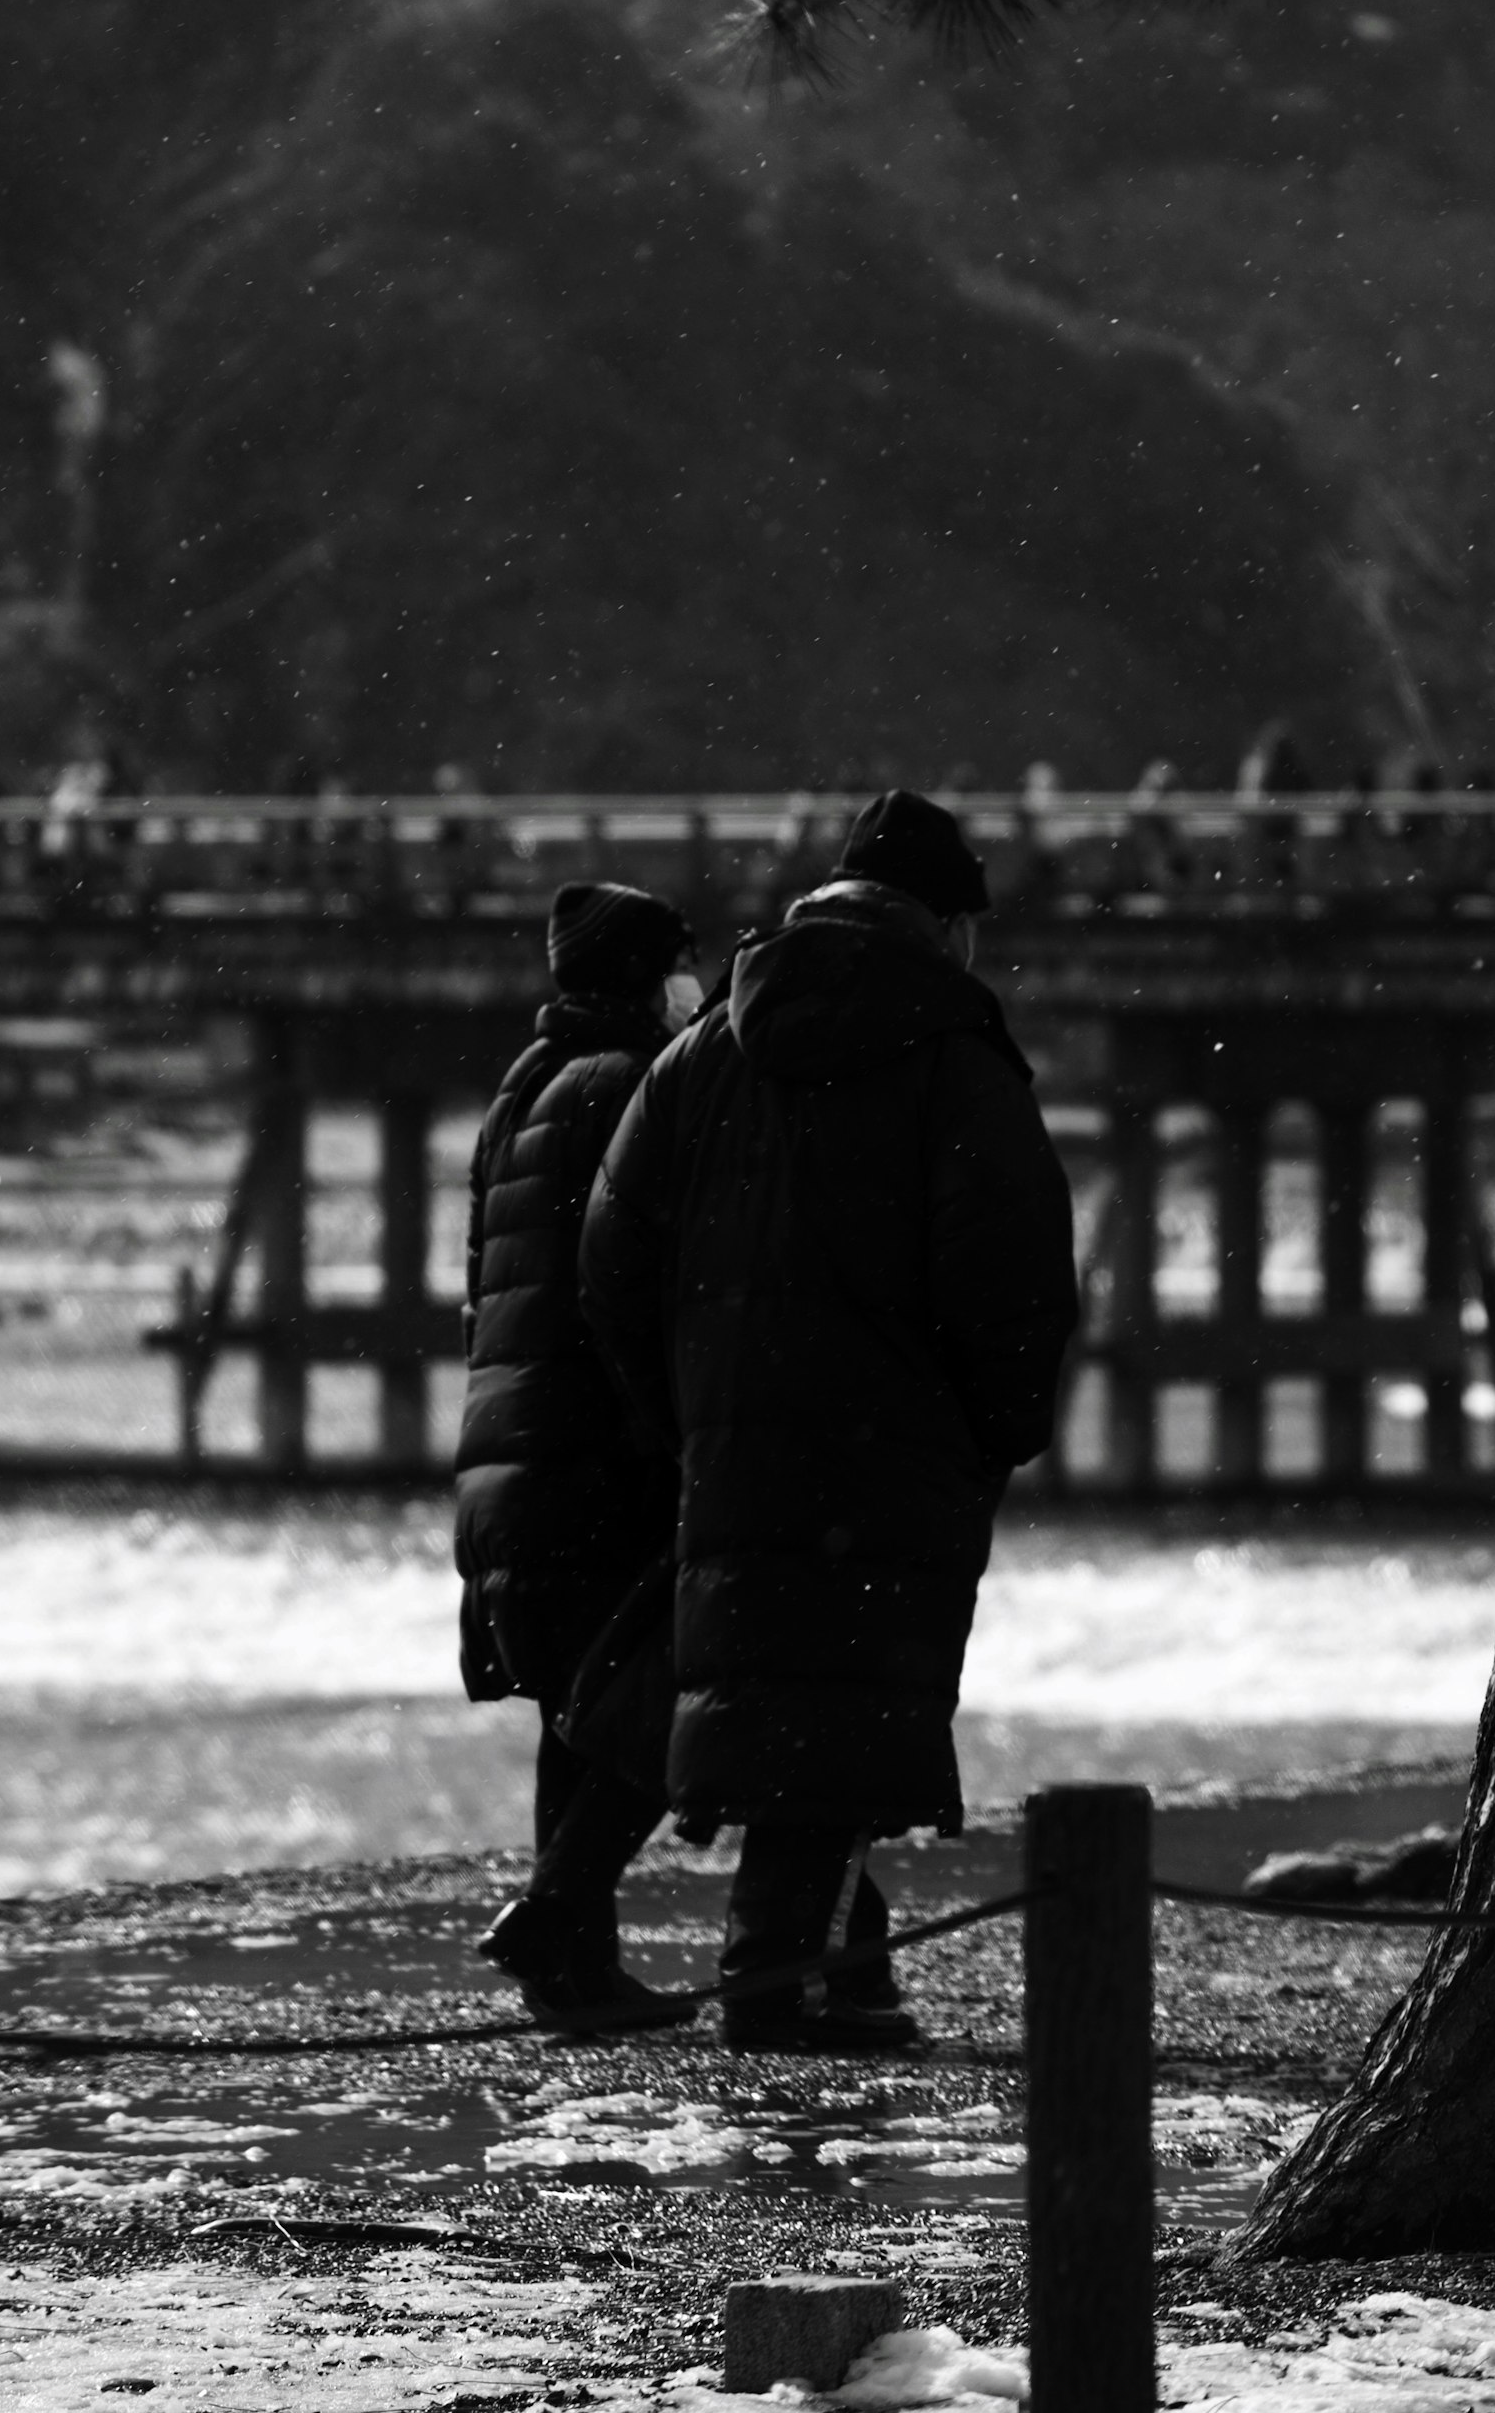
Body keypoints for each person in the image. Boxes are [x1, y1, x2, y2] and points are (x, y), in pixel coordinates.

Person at [582, 792, 1079, 2052]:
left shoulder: (702, 1055)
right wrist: (989, 1432)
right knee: (845, 1705)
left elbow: (613, 1250)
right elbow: (1014, 1274)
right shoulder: (955, 1058)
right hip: (896, 1454)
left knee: (773, 1694)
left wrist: (682, 1408)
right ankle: (773, 1990)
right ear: (947, 924)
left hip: (734, 1442)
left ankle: (816, 1977)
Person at [454, 880, 704, 2031]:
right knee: (661, 1678)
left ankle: (576, 1967)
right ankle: (558, 1915)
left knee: (574, 1701)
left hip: (512, 1440)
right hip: (591, 1443)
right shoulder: (623, 1087)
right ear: (647, 981)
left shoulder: (522, 1087)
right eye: (678, 967)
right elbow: (629, 1276)